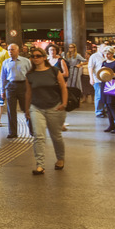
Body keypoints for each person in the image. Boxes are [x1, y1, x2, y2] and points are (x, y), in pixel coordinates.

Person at [24, 47, 67, 175]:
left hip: (54, 106)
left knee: (56, 136)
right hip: (36, 107)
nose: (35, 58)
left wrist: (64, 103)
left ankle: (60, 159)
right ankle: (40, 165)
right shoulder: (30, 75)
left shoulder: (54, 71)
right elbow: (28, 93)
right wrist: (27, 109)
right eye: (33, 56)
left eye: (38, 56)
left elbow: (63, 88)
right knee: (38, 136)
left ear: (44, 58)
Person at [0, 43, 32, 138]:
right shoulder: (5, 62)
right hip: (11, 86)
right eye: (9, 50)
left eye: (12, 49)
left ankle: (32, 130)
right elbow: (3, 77)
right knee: (11, 111)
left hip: (23, 85)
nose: (10, 51)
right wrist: (2, 90)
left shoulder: (26, 61)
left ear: (18, 50)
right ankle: (12, 132)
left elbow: (30, 75)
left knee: (26, 109)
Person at [100, 46, 115, 133]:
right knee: (107, 106)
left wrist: (111, 74)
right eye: (105, 53)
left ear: (112, 54)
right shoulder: (104, 63)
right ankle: (111, 125)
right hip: (104, 84)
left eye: (108, 53)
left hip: (112, 85)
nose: (106, 55)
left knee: (112, 105)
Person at [88, 41, 109, 117]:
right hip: (97, 79)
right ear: (99, 48)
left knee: (107, 95)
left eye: (106, 47)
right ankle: (99, 111)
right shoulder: (94, 56)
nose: (105, 49)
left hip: (107, 79)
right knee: (99, 95)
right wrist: (91, 78)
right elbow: (90, 67)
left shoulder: (108, 56)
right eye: (103, 47)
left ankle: (106, 110)